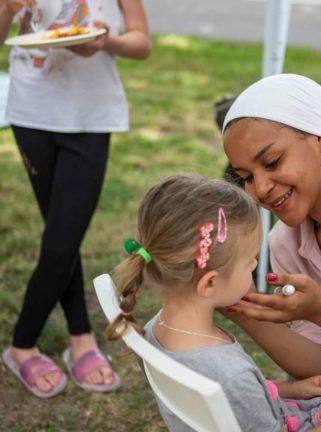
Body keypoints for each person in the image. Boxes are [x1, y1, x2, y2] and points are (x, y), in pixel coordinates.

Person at [107, 175, 321, 432]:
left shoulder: (155, 330)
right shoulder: (231, 373)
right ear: (209, 283)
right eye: (249, 262)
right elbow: (233, 388)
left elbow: (226, 399)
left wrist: (293, 389)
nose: (256, 266)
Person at [0, 0, 150, 398]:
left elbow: (142, 43)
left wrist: (108, 43)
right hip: (32, 115)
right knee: (60, 236)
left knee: (62, 238)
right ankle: (80, 337)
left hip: (92, 116)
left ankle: (21, 343)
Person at [220, 74, 321, 385]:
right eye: (246, 177)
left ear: (320, 141)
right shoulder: (283, 244)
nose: (260, 188)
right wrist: (238, 305)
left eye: (272, 161)